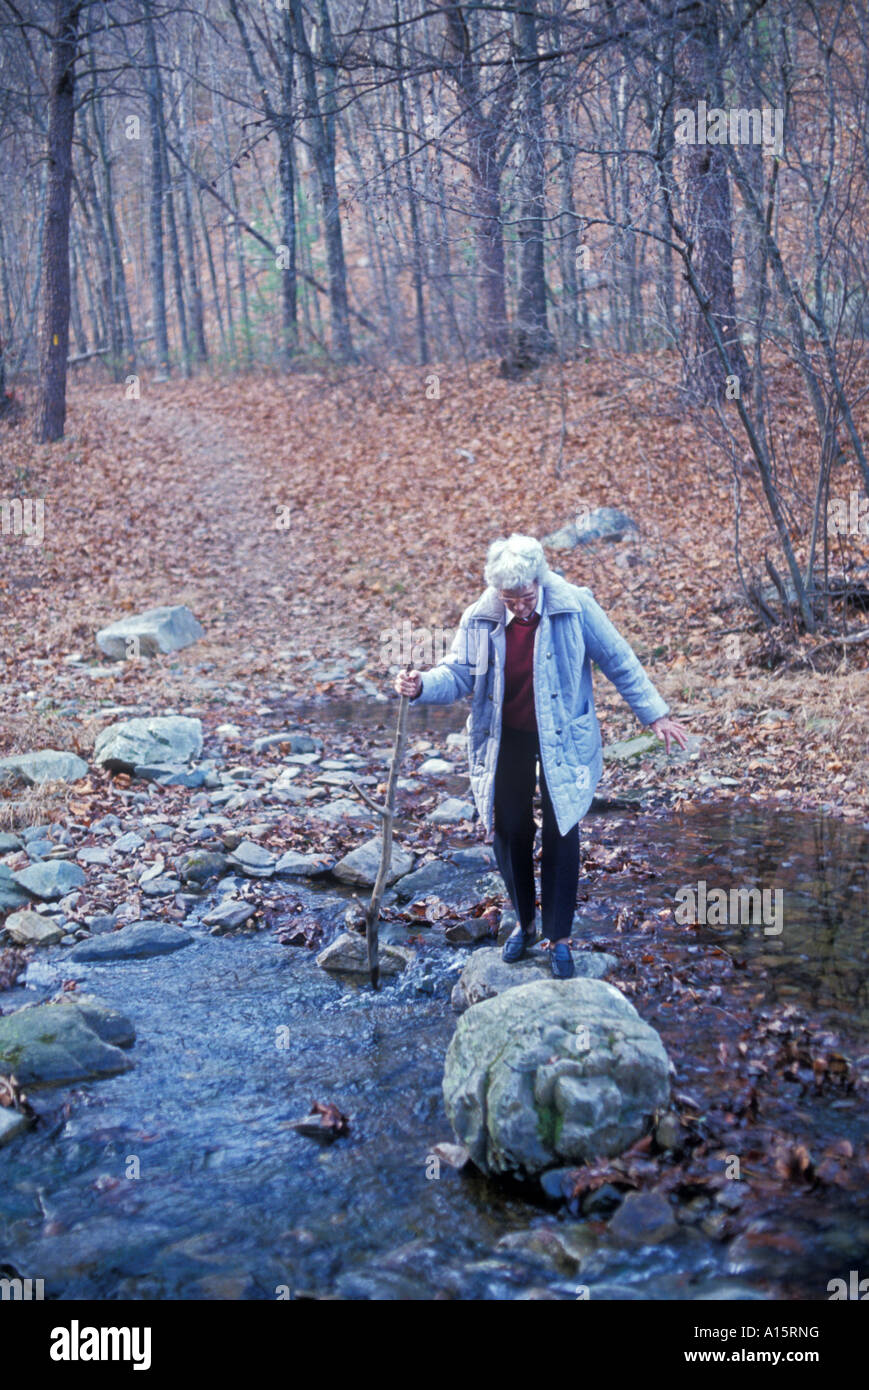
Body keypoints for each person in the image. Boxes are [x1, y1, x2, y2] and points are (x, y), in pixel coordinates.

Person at [394, 533, 689, 979]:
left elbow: (618, 658)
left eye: (525, 596)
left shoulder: (574, 606)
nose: (519, 606)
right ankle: (526, 924)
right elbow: (457, 674)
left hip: (563, 736)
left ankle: (560, 935)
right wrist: (421, 687)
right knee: (509, 829)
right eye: (509, 599)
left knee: (561, 827)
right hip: (505, 734)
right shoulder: (480, 616)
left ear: (541, 579)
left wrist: (656, 716)